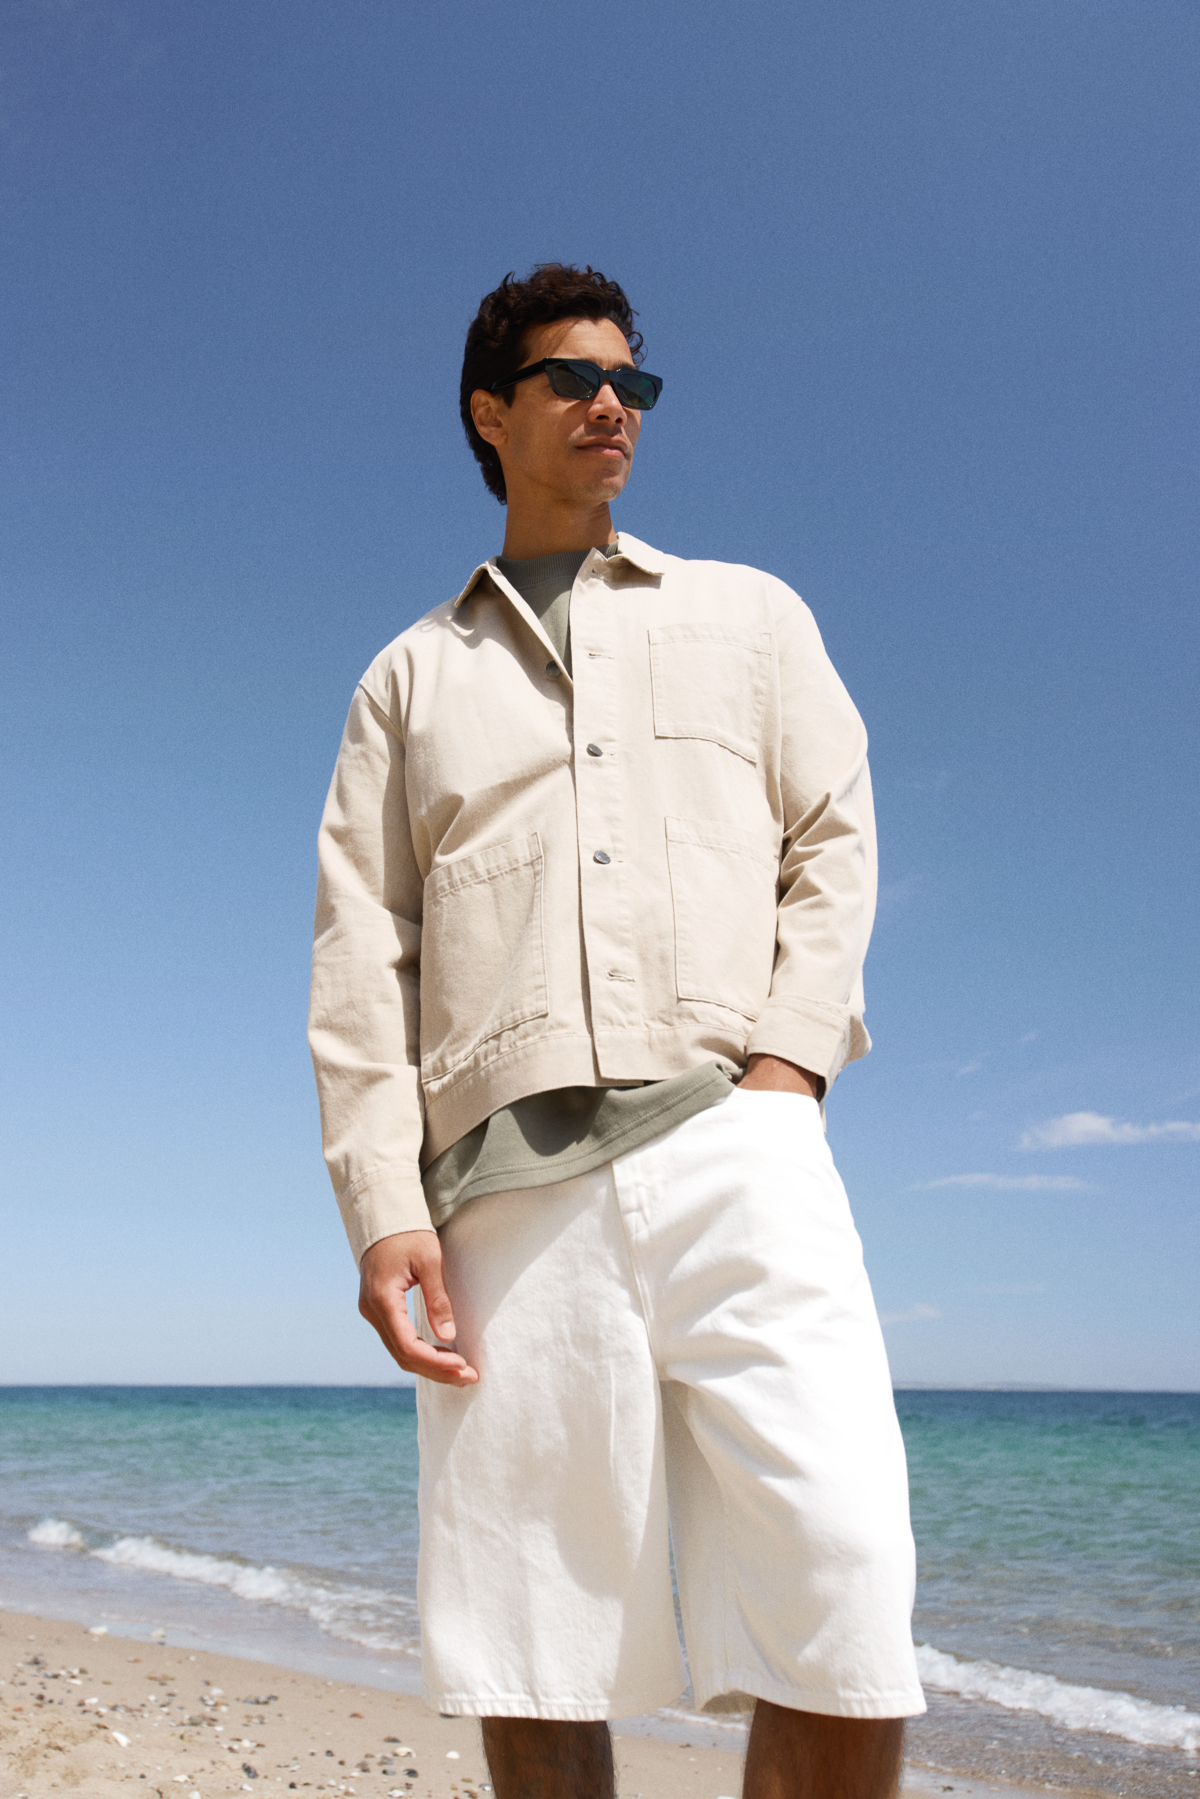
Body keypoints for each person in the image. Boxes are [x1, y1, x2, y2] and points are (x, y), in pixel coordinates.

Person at [308, 263, 925, 1799]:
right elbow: (362, 955)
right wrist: (384, 1211)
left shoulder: (750, 617)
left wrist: (785, 1071)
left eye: (630, 383)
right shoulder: (407, 681)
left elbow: (835, 838)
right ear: (490, 413)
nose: (611, 405)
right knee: (537, 1648)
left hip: (737, 1146)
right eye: (574, 378)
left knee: (846, 1606)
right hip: (505, 1205)